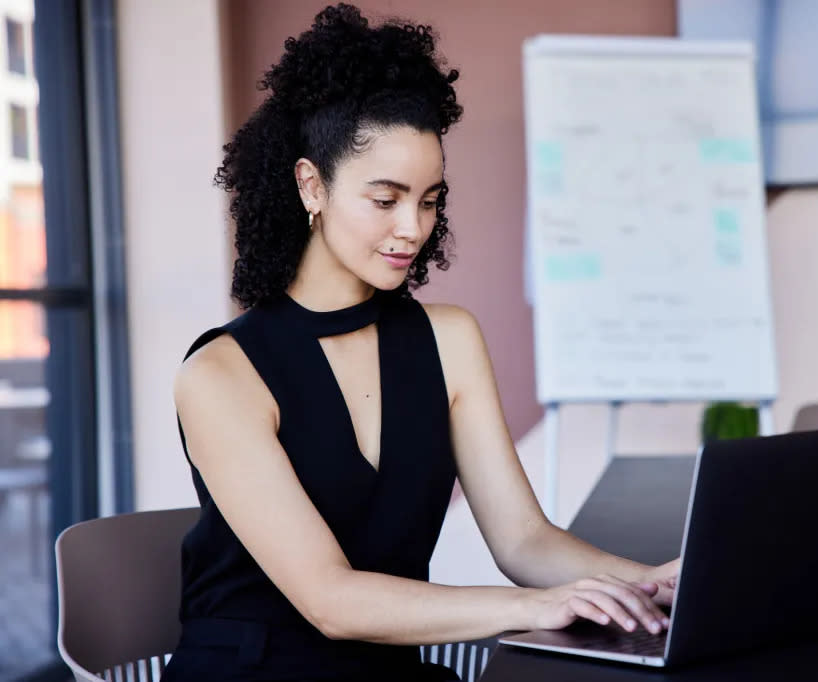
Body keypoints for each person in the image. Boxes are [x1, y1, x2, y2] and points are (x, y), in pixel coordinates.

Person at [163, 4, 680, 680]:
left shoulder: (450, 339)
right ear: (310, 185)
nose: (414, 228)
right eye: (386, 199)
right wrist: (534, 606)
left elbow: (523, 538)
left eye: (431, 199)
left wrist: (647, 587)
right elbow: (331, 601)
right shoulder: (221, 374)